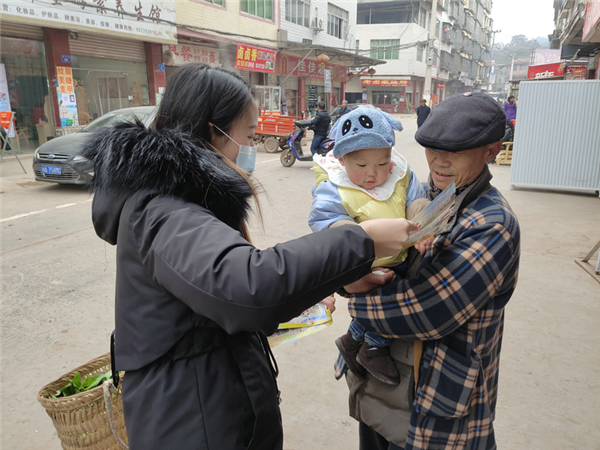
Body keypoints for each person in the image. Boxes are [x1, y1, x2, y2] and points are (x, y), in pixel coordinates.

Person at [79, 63, 417, 450]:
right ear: (213, 132)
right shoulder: (162, 211)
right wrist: (362, 241)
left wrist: (329, 277)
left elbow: (219, 290)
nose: (252, 149)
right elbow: (249, 287)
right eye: (249, 135)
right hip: (191, 422)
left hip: (212, 404)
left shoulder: (180, 199)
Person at [339, 92, 521, 450]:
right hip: (390, 384)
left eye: (455, 151)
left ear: (491, 151)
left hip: (439, 396)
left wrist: (354, 298)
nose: (439, 161)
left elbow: (427, 311)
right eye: (433, 148)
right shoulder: (436, 192)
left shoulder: (492, 225)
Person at [308, 107, 431, 385]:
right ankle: (375, 347)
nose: (373, 174)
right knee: (392, 300)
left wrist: (421, 224)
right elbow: (326, 221)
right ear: (341, 159)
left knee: (390, 294)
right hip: (364, 264)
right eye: (361, 166)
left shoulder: (400, 174)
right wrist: (360, 241)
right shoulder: (334, 185)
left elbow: (416, 200)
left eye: (383, 162)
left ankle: (353, 340)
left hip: (396, 258)